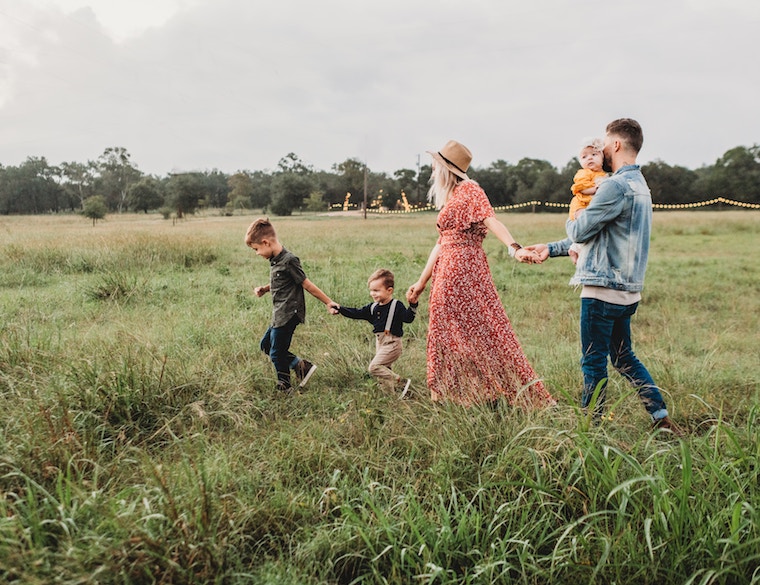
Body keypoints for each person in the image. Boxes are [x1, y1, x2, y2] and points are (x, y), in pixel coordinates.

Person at [525, 119, 682, 434]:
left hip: (601, 290)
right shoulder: (640, 186)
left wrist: (576, 217)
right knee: (624, 358)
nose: (602, 150)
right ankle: (660, 418)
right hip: (628, 292)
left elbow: (582, 230)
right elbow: (601, 236)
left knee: (593, 362)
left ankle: (589, 429)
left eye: (606, 144)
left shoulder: (613, 185)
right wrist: (552, 248)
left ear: (618, 145)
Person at [406, 139, 556, 408]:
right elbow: (441, 243)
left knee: (481, 329)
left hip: (463, 269)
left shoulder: (470, 190)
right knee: (447, 330)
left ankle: (488, 391)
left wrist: (514, 248)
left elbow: (491, 219)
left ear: (446, 169)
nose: (432, 170)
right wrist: (420, 282)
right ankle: (458, 393)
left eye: (435, 165)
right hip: (448, 268)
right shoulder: (452, 196)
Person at [245, 218, 337, 394]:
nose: (257, 253)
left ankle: (284, 386)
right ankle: (301, 366)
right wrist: (265, 289)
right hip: (278, 313)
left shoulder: (289, 260)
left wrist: (328, 302)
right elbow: (282, 281)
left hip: (288, 314)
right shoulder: (276, 260)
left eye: (256, 249)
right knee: (266, 345)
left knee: (276, 353)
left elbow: (306, 284)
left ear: (266, 242)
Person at [331, 268, 417, 398]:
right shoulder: (373, 307)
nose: (373, 293)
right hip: (380, 343)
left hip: (393, 343)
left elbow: (408, 318)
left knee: (374, 367)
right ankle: (390, 397)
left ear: (389, 290)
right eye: (371, 290)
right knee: (384, 372)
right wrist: (340, 309)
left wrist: (413, 305)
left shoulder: (396, 305)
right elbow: (356, 313)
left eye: (376, 290)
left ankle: (401, 382)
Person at [568, 137, 608, 259]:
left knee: (592, 228)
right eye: (584, 157)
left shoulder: (604, 175)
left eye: (594, 154)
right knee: (585, 224)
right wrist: (596, 190)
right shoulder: (584, 173)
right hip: (581, 204)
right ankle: (576, 248)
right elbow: (581, 188)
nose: (589, 158)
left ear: (602, 157)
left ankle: (575, 248)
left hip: (591, 204)